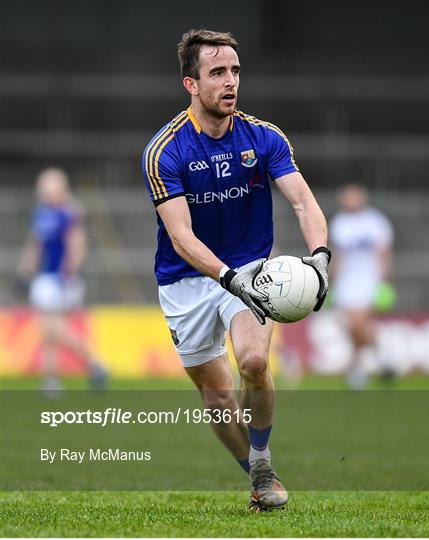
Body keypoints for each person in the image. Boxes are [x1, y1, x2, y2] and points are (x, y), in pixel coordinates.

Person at [141, 29, 330, 511]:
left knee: (252, 362)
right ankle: (254, 470)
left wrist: (322, 257)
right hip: (187, 282)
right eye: (218, 73)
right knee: (218, 396)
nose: (230, 82)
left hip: (251, 269)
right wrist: (226, 278)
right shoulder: (166, 151)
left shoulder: (264, 137)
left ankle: (263, 464)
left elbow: (304, 203)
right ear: (191, 83)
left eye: (236, 72)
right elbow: (182, 238)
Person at [17, 168, 108, 394]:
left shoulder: (70, 211)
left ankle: (93, 362)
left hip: (61, 277)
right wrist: (26, 269)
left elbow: (76, 244)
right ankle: (53, 379)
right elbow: (36, 243)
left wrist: (68, 273)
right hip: (45, 276)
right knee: (47, 329)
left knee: (51, 326)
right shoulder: (42, 212)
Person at [329, 184, 394, 389]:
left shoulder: (375, 221)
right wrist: (332, 282)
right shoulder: (339, 223)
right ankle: (382, 359)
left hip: (368, 279)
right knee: (355, 327)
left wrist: (383, 281)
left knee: (358, 323)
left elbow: (383, 253)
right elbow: (337, 255)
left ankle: (356, 369)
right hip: (347, 281)